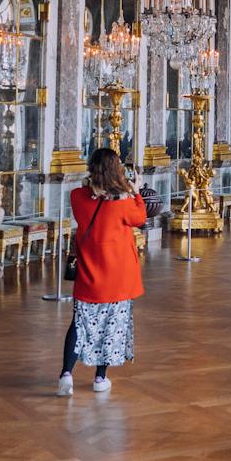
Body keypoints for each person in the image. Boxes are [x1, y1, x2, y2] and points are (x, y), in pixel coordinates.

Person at [58, 147, 146, 396]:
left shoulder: (77, 196)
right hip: (118, 278)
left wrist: (98, 189)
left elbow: (87, 195)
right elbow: (140, 217)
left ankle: (66, 374)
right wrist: (135, 191)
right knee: (111, 327)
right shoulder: (123, 203)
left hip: (88, 275)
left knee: (78, 324)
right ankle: (100, 378)